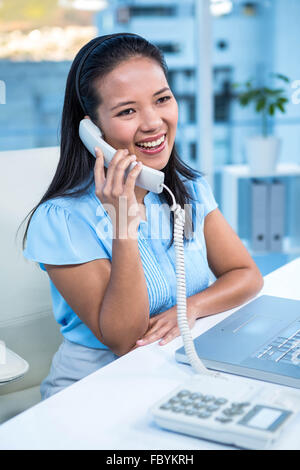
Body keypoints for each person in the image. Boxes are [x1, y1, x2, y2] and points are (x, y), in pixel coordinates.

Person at [21, 33, 263, 400]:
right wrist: (123, 224)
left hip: (177, 376)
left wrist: (190, 309)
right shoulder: (61, 220)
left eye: (162, 99)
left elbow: (247, 276)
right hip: (96, 393)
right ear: (92, 130)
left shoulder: (187, 188)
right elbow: (123, 339)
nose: (154, 122)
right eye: (127, 111)